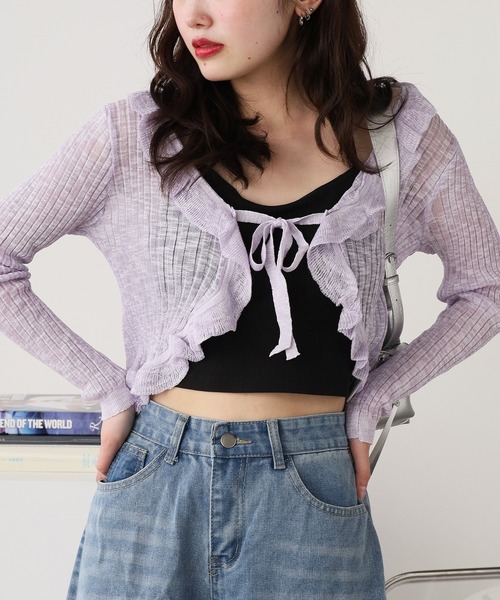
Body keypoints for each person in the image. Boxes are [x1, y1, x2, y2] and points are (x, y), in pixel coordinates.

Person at [0, 0, 498, 598]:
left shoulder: (400, 136)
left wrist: (375, 400)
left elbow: (486, 287)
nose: (193, 16)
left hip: (313, 493)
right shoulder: (133, 134)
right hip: (152, 485)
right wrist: (108, 389)